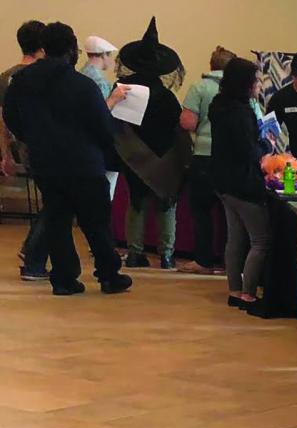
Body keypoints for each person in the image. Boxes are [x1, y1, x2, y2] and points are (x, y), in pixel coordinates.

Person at [2, 21, 131, 295]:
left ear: (44, 47)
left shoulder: (23, 81)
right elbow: (102, 125)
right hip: (84, 162)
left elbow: (11, 116)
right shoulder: (82, 85)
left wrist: (32, 138)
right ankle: (109, 275)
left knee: (57, 221)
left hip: (44, 162)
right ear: (72, 49)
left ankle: (63, 279)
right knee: (95, 222)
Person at [116, 17, 187, 271]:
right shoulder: (167, 97)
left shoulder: (124, 91)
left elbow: (116, 125)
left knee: (136, 203)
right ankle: (166, 256)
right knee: (166, 203)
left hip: (133, 156)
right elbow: (177, 127)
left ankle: (135, 253)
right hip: (164, 157)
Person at [209, 57, 273, 316]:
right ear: (246, 83)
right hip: (244, 183)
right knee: (260, 241)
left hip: (222, 181)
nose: (259, 85)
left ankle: (234, 290)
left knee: (235, 238)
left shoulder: (219, 105)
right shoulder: (242, 112)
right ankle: (248, 293)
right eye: (256, 80)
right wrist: (266, 145)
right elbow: (249, 151)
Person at [177, 46, 236, 274]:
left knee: (201, 210)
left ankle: (203, 260)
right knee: (230, 214)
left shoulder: (199, 88)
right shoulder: (239, 90)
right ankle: (230, 262)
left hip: (203, 156)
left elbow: (187, 122)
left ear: (211, 65)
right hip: (230, 159)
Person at [1, 20, 47, 280]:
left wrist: (6, 154)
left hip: (18, 146)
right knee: (55, 201)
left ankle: (34, 248)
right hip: (42, 147)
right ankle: (33, 249)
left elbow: (2, 121)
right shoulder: (42, 76)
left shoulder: (5, 76)